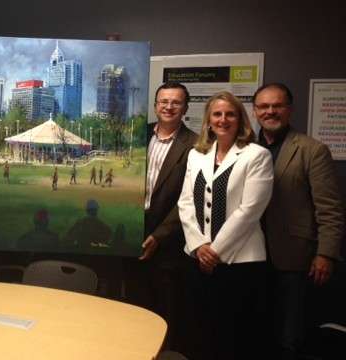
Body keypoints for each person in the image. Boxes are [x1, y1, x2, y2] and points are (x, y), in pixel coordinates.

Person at [178, 91, 274, 360]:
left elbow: (250, 210)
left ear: (240, 119)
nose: (223, 119)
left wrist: (215, 251)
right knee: (200, 330)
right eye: (217, 114)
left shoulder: (257, 155)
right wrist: (199, 246)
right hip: (198, 258)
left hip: (239, 263)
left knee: (232, 336)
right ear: (208, 120)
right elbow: (186, 203)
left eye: (230, 114)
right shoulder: (197, 155)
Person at [254, 83, 345, 359]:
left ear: (289, 110)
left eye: (277, 106)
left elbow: (329, 209)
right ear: (255, 111)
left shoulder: (311, 149)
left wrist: (325, 254)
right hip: (250, 253)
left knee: (289, 335)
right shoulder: (244, 147)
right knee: (257, 329)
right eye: (263, 106)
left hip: (293, 257)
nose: (270, 111)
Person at [133, 81, 198, 356]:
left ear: (185, 107)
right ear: (156, 104)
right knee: (134, 302)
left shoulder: (196, 143)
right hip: (133, 229)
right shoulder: (138, 135)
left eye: (176, 102)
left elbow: (190, 197)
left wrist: (160, 235)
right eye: (164, 101)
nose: (169, 106)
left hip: (168, 239)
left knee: (166, 308)